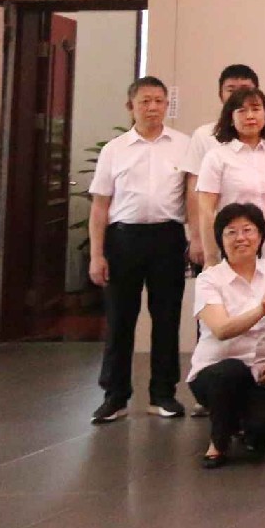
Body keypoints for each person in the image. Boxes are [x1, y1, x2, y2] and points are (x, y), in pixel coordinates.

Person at [89, 75, 190, 423]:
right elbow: (100, 205)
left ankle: (163, 394)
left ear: (167, 106)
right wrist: (97, 254)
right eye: (145, 101)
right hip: (124, 239)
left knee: (167, 318)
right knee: (120, 319)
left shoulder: (183, 145)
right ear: (130, 106)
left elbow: (193, 198)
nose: (152, 107)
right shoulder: (114, 149)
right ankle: (115, 396)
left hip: (168, 237)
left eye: (159, 101)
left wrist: (196, 240)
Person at [188, 202, 265, 468]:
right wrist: (260, 310)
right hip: (215, 373)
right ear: (220, 239)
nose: (241, 238)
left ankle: (245, 429)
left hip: (260, 372)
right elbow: (221, 330)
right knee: (230, 371)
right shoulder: (209, 279)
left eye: (248, 230)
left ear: (261, 236)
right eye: (231, 232)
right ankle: (218, 443)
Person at [181, 64, 261, 269]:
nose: (239, 96)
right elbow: (195, 192)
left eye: (245, 89)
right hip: (221, 238)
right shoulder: (204, 136)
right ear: (220, 94)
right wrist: (196, 237)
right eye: (231, 90)